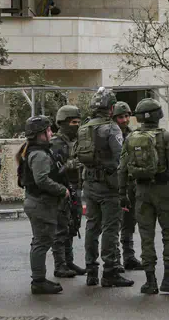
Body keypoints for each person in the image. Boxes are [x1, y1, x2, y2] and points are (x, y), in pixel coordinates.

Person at [118, 98, 169, 295]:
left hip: (141, 192)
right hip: (164, 190)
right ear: (158, 115)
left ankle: (150, 281)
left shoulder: (131, 138)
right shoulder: (166, 137)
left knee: (146, 235)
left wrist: (122, 193)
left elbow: (122, 168)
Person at [79, 88, 133, 288]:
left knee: (92, 227)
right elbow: (122, 158)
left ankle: (91, 271)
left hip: (89, 183)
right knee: (110, 228)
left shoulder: (84, 127)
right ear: (111, 108)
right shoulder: (112, 128)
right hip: (109, 185)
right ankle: (109, 272)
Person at [17, 116, 69, 295]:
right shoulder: (38, 154)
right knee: (41, 242)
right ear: (40, 135)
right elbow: (42, 180)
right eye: (48, 130)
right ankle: (38, 281)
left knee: (40, 241)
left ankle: (39, 279)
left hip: (37, 202)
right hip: (40, 203)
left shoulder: (33, 150)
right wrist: (62, 190)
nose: (51, 133)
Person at [49, 105, 86, 278]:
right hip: (61, 190)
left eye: (78, 122)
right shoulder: (55, 143)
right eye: (73, 122)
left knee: (73, 224)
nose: (76, 126)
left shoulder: (74, 142)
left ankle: (69, 261)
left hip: (75, 188)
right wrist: (69, 166)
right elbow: (50, 171)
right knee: (61, 227)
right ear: (62, 123)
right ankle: (60, 264)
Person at [111, 101, 142, 271]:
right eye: (120, 117)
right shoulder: (110, 135)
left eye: (126, 116)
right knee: (114, 224)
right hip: (114, 184)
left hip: (130, 184)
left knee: (130, 222)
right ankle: (114, 260)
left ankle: (129, 256)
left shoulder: (132, 135)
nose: (124, 120)